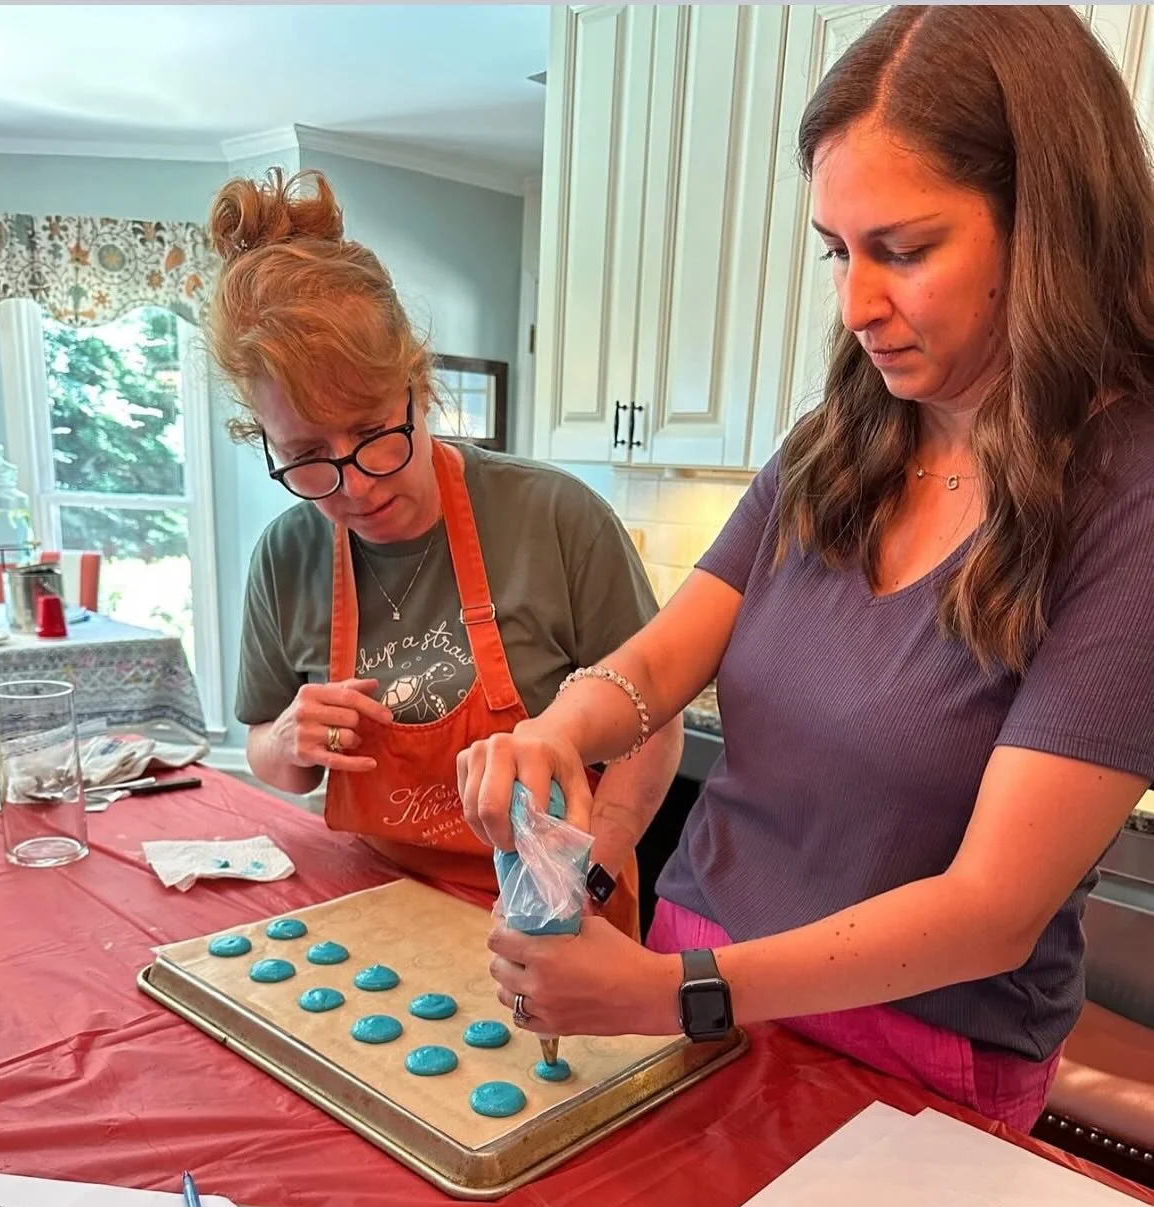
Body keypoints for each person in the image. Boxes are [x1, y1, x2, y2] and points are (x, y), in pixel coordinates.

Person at [458, 4, 1154, 1132]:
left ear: (1050, 229)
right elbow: (661, 660)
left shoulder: (1129, 499)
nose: (856, 306)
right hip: (694, 974)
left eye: (905, 250)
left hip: (916, 1056)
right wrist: (563, 730)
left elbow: (992, 911)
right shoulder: (840, 440)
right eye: (838, 252)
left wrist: (679, 992)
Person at [206, 167, 681, 937]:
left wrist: (581, 877)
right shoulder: (285, 556)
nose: (354, 486)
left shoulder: (554, 518)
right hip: (369, 908)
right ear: (262, 439)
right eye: (306, 456)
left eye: (370, 434)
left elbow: (653, 726)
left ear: (416, 385)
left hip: (551, 910)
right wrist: (286, 736)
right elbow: (272, 755)